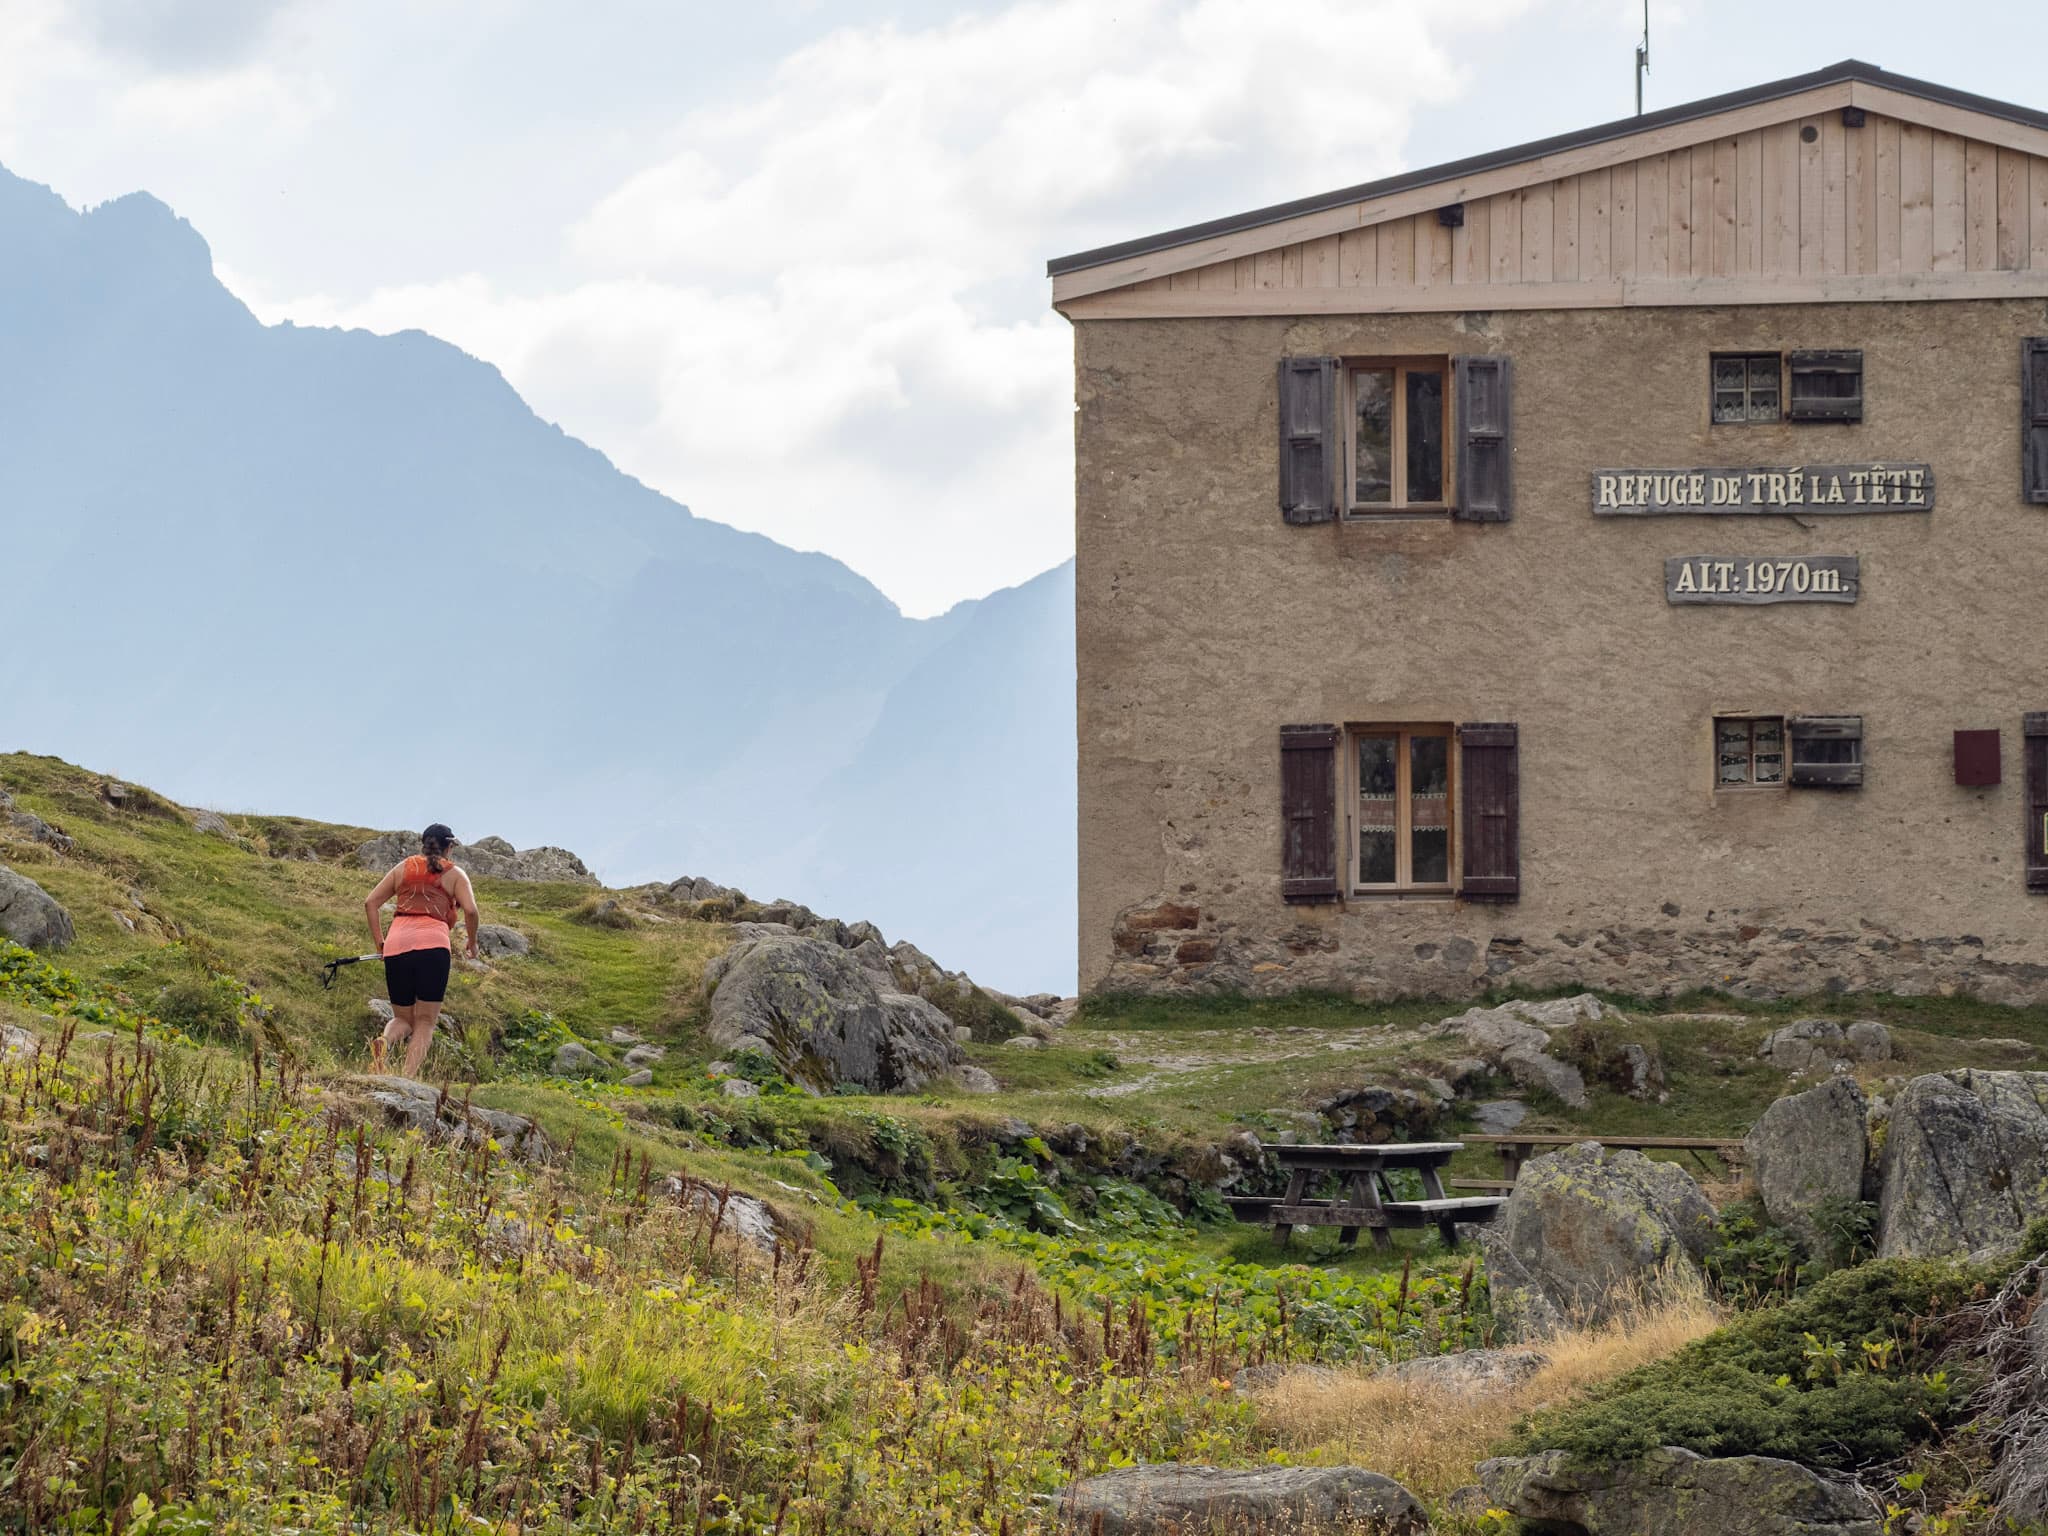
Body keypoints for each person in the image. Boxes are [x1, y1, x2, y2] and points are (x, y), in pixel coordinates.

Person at [362, 823, 479, 1077]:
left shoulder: (403, 868)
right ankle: (407, 1078)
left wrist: (380, 942)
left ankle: (385, 1041)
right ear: (449, 847)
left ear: (424, 844)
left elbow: (370, 903)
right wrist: (472, 942)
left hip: (396, 945)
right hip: (433, 946)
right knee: (425, 1021)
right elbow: (470, 910)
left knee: (403, 1018)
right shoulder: (455, 873)